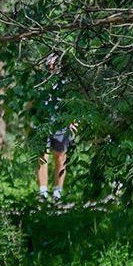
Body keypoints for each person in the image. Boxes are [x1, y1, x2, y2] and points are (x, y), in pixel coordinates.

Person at [36, 54, 76, 201]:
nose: (51, 67)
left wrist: (74, 120)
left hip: (62, 124)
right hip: (43, 123)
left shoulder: (66, 81)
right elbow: (33, 102)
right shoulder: (40, 80)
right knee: (42, 156)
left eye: (54, 64)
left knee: (60, 157)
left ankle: (57, 191)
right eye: (49, 64)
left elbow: (74, 101)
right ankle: (42, 192)